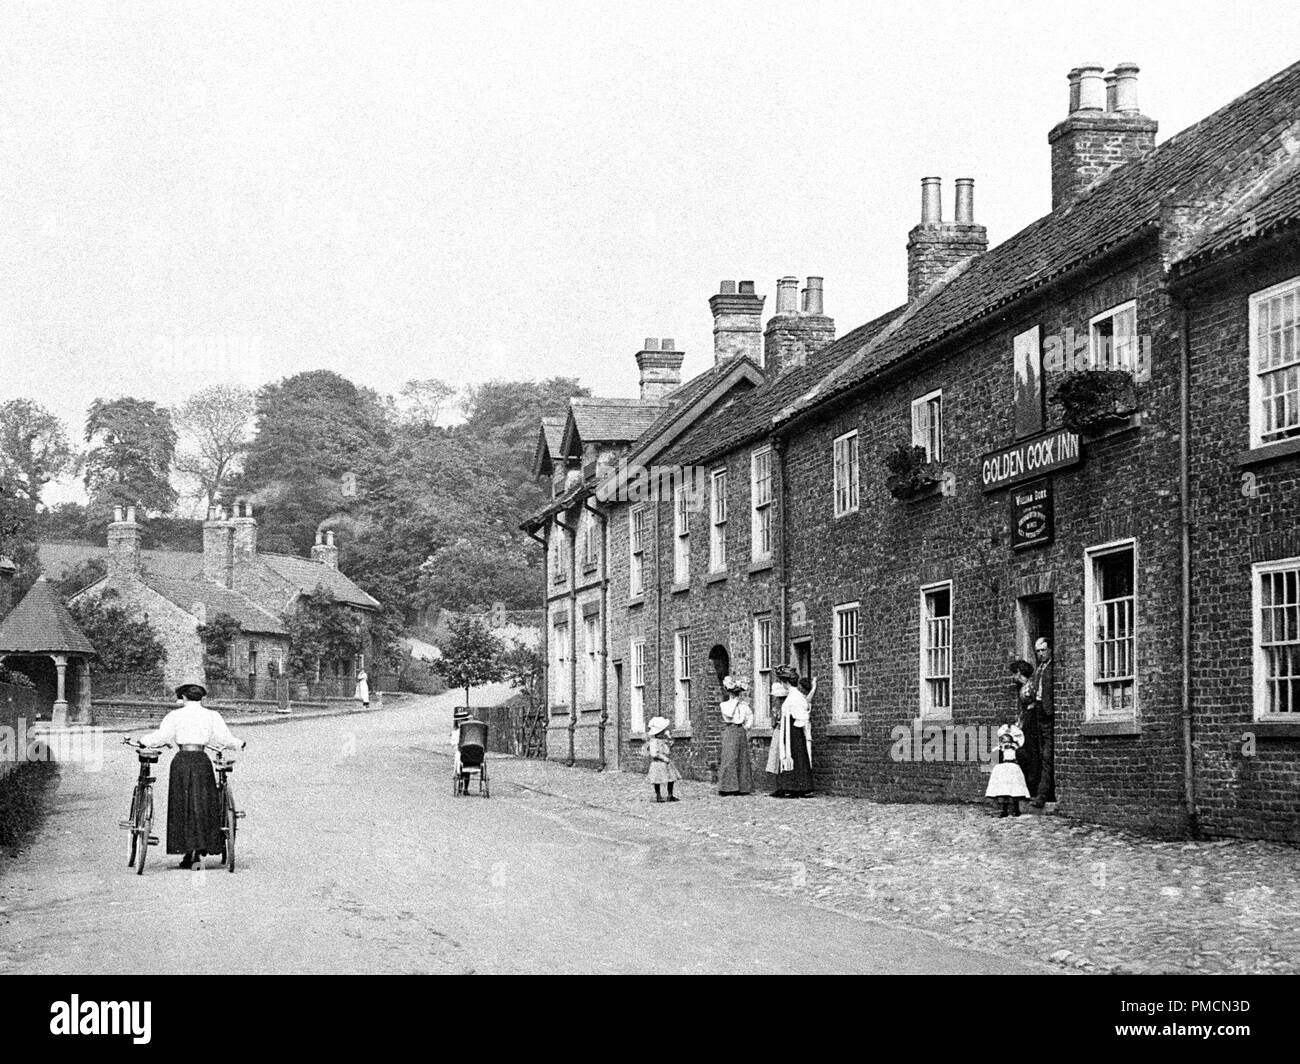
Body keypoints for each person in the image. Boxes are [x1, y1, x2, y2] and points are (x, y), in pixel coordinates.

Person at [137, 683, 246, 870]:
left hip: (181, 761)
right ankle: (201, 847)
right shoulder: (212, 716)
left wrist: (144, 740)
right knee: (202, 803)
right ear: (201, 698)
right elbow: (224, 738)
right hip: (201, 761)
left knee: (182, 803)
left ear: (183, 698)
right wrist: (238, 744)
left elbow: (162, 737)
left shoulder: (175, 715)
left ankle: (187, 850)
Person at [768, 664, 813, 797]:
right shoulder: (793, 695)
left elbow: (802, 714)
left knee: (796, 756)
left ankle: (798, 787)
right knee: (791, 756)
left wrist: (794, 725)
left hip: (794, 731)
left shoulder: (795, 696)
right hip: (790, 730)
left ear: (785, 682)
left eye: (782, 682)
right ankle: (791, 786)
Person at [1029, 638, 1055, 807]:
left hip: (1048, 714)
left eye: (1043, 650)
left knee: (1047, 755)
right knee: (1039, 752)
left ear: (1050, 649)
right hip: (1038, 711)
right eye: (1037, 651)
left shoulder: (1053, 668)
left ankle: (1043, 794)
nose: (1040, 654)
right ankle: (1041, 791)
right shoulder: (1039, 669)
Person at [1009, 659, 1041, 798]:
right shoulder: (1022, 688)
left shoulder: (1031, 686)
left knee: (1032, 754)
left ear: (1019, 673)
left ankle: (1033, 787)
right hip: (1026, 722)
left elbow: (1036, 704)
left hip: (1032, 722)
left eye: (1014, 673)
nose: (1013, 677)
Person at [717, 675, 754, 795]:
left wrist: (746, 727)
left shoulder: (744, 706)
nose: (735, 695)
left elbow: (749, 717)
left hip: (740, 730)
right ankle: (727, 787)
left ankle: (743, 787)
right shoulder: (725, 705)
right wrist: (735, 701)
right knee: (730, 758)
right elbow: (729, 713)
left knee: (742, 758)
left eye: (737, 693)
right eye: (733, 693)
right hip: (730, 730)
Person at [985, 723, 1030, 817]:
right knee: (1003, 789)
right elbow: (994, 757)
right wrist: (1000, 751)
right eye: (1003, 739)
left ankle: (1016, 809)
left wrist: (1016, 749)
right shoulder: (1000, 748)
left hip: (1013, 767)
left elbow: (1023, 756)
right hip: (1003, 768)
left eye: (1007, 739)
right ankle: (1004, 810)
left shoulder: (1015, 748)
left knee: (1015, 789)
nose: (1006, 742)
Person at [645, 716, 680, 802]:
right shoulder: (654, 741)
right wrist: (664, 758)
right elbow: (654, 754)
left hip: (666, 762)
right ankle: (658, 795)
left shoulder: (663, 740)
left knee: (671, 778)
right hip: (658, 762)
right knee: (657, 779)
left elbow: (670, 746)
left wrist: (669, 738)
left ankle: (670, 794)